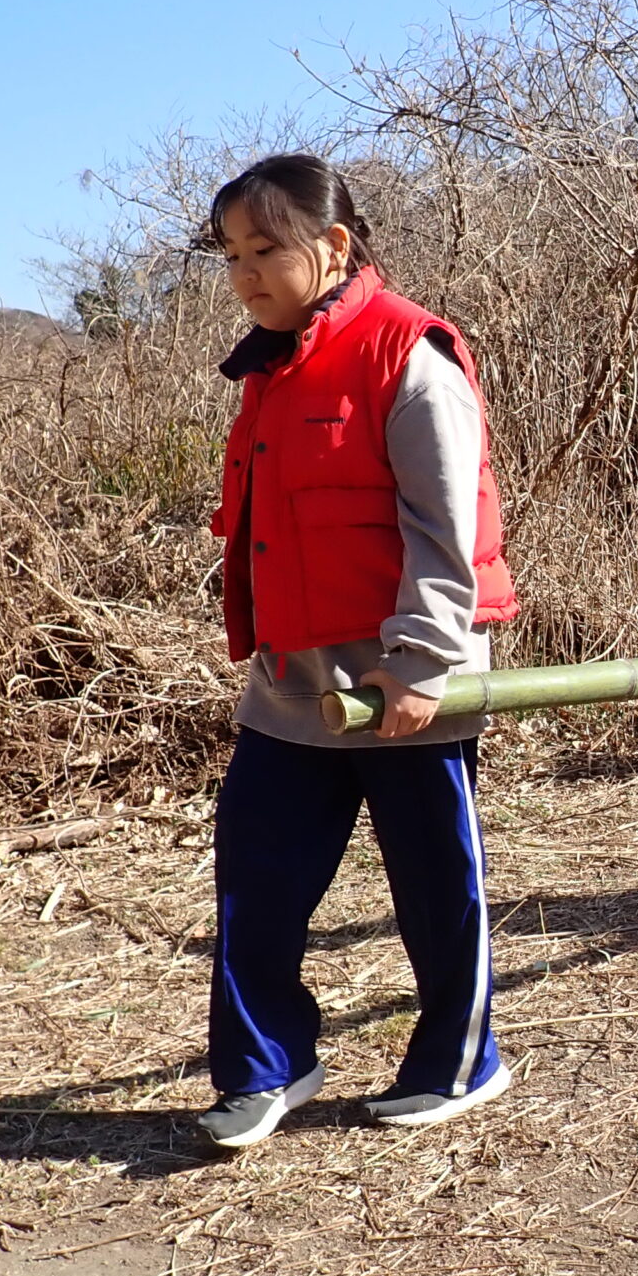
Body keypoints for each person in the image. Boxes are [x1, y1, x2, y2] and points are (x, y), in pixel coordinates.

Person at [197, 154, 519, 1147]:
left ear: (333, 246)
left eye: (266, 249)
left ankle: (460, 1062)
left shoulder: (408, 354)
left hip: (406, 678)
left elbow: (446, 526)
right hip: (293, 682)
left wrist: (421, 663)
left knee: (434, 885)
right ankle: (267, 1068)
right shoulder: (269, 367)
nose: (246, 273)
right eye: (232, 254)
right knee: (256, 878)